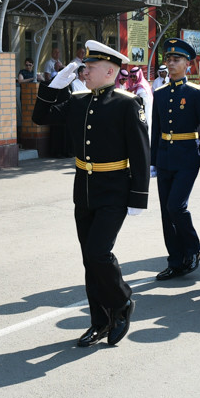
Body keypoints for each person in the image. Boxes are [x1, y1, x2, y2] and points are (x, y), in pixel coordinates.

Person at [32, 40, 150, 346]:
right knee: (90, 259)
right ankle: (99, 321)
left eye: (90, 67)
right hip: (84, 190)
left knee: (99, 252)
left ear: (110, 70)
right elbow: (40, 117)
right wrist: (54, 87)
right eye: (84, 67)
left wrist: (139, 196)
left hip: (114, 191)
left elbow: (140, 154)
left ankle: (122, 301)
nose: (84, 72)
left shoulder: (127, 103)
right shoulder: (79, 102)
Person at [150, 38, 200, 280]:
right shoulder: (161, 93)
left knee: (176, 206)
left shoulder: (197, 93)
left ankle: (193, 249)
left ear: (188, 65)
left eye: (177, 60)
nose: (171, 63)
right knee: (166, 212)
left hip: (188, 156)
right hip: (165, 156)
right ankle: (175, 261)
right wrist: (153, 159)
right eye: (169, 59)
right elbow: (156, 129)